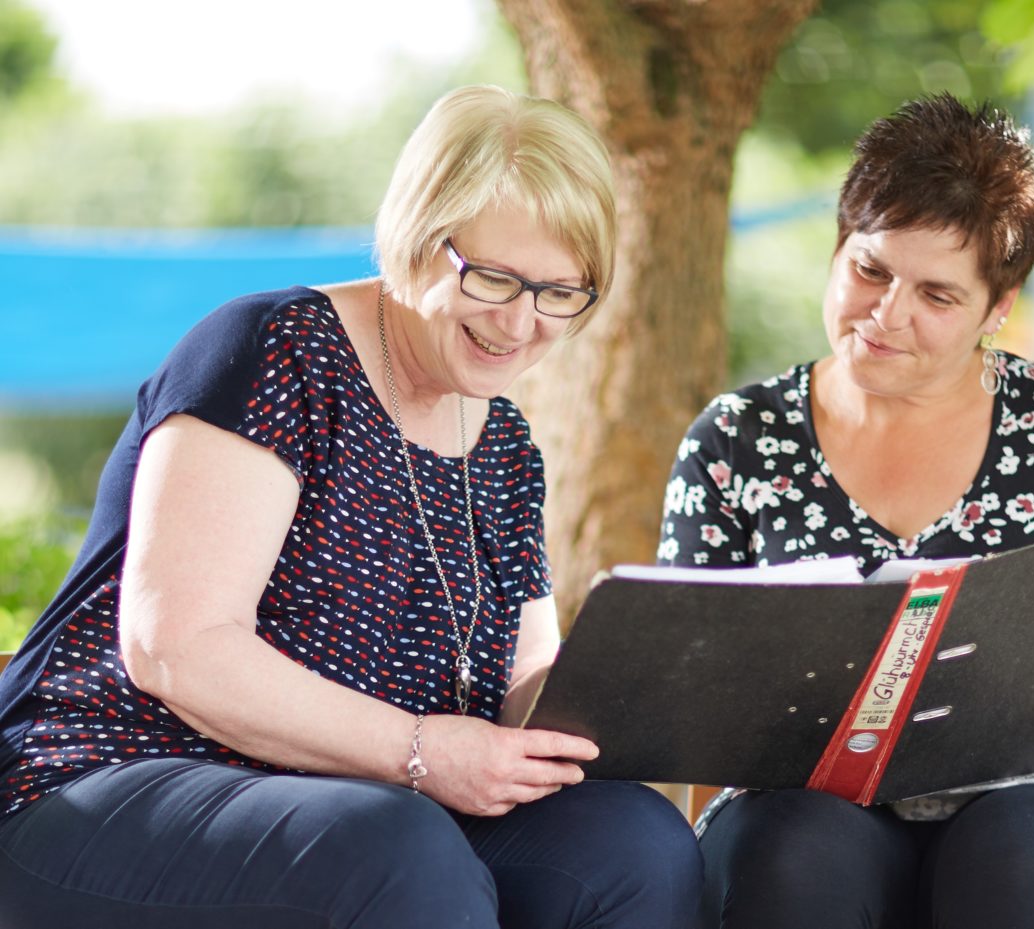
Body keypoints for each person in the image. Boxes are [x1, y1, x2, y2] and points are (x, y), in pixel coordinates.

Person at [0, 85, 701, 929]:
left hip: (377, 801)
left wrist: (654, 681)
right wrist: (419, 751)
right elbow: (176, 648)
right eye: (493, 279)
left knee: (635, 843)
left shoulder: (506, 444)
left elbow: (519, 683)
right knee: (395, 852)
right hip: (113, 778)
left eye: (562, 292)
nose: (521, 324)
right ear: (417, 232)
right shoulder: (276, 351)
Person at [657, 93, 1034, 929]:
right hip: (808, 806)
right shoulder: (737, 441)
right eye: (870, 269)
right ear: (839, 246)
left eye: (938, 295)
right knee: (787, 858)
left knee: (1018, 863)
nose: (888, 316)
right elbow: (685, 691)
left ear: (997, 308)